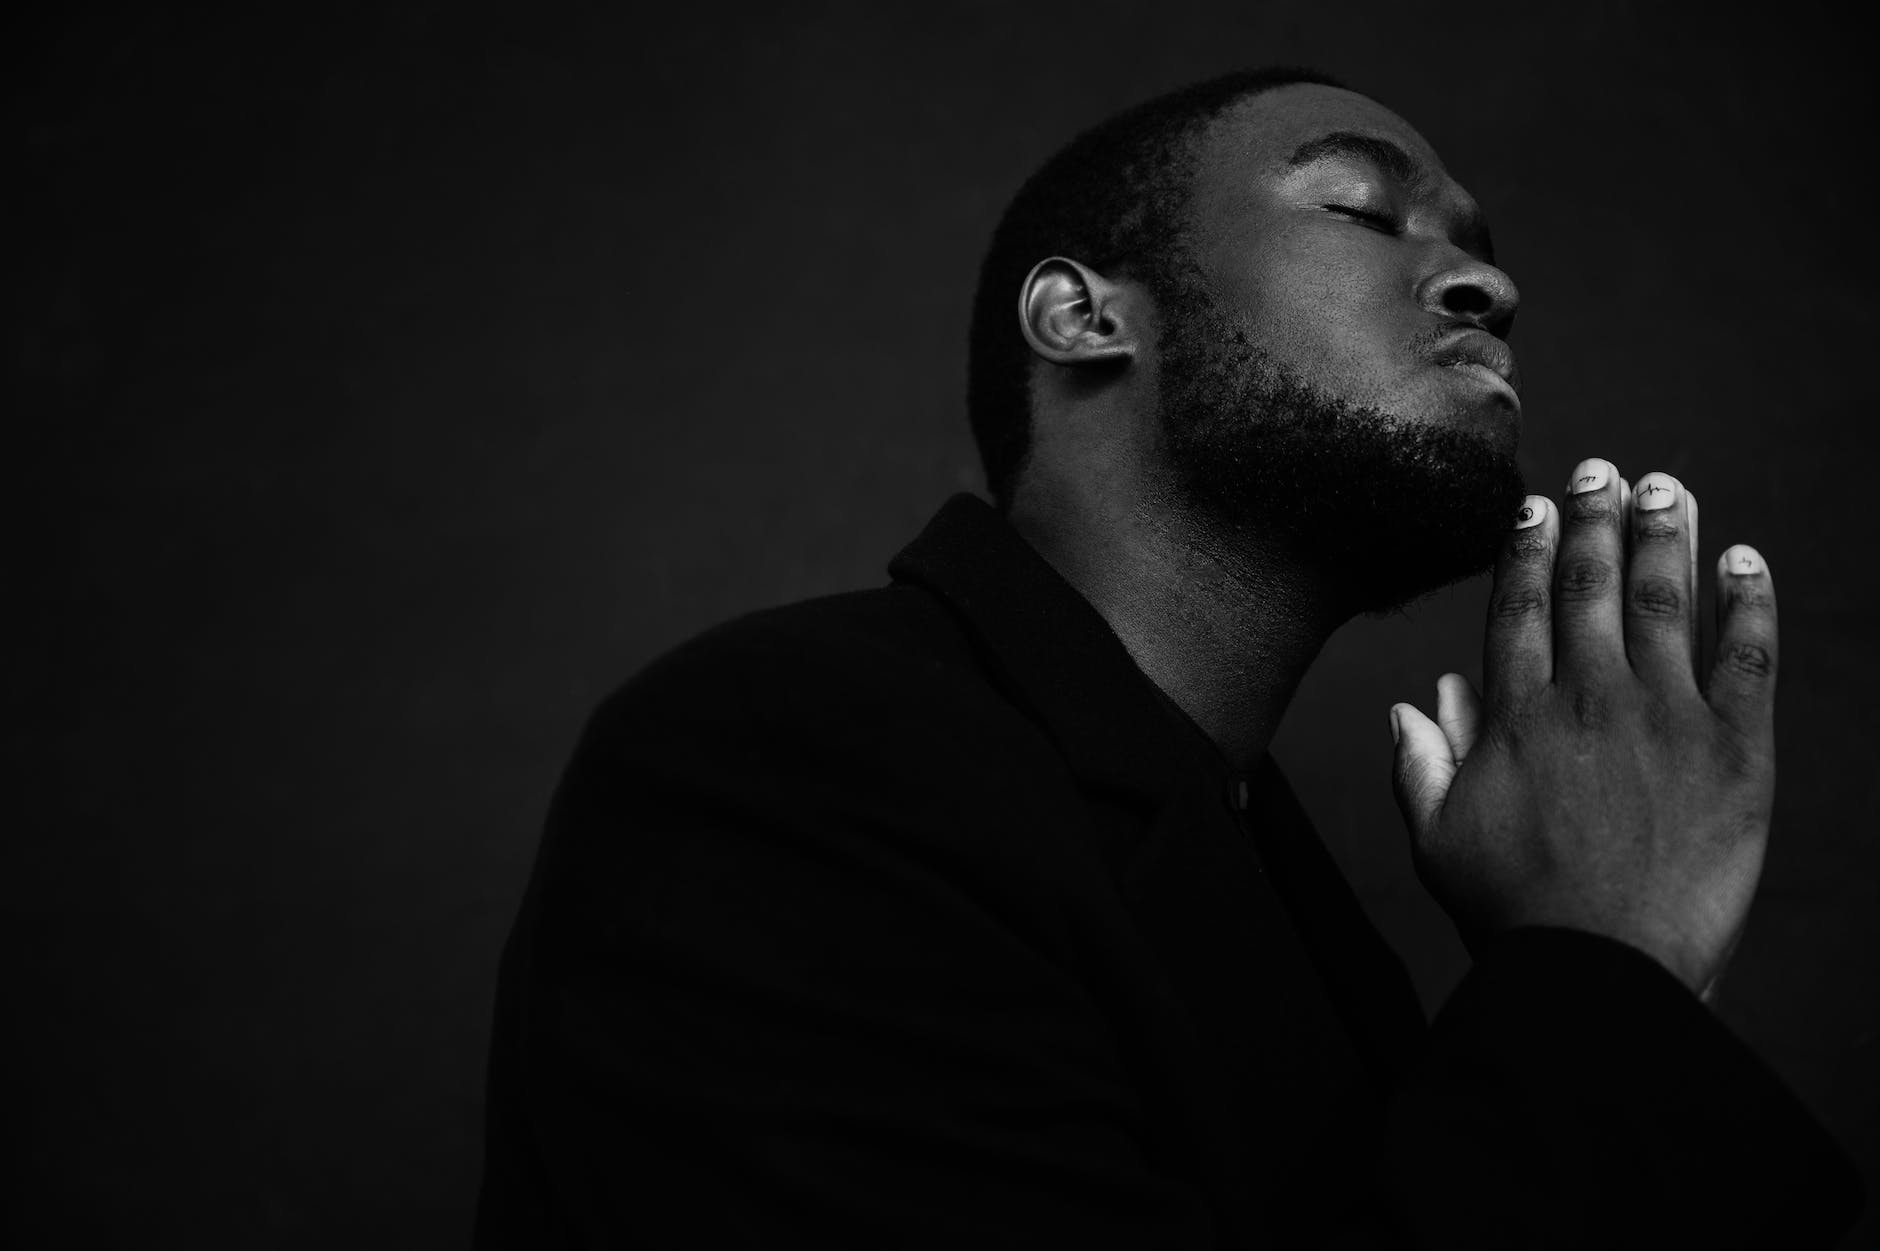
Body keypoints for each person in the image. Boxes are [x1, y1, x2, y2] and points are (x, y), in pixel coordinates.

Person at [472, 67, 1863, 1246]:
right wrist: (1598, 964)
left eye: (1475, 241)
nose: (1487, 281)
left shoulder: (1289, 910)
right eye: (1358, 208)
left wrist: (1604, 982)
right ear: (1083, 317)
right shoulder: (782, 760)